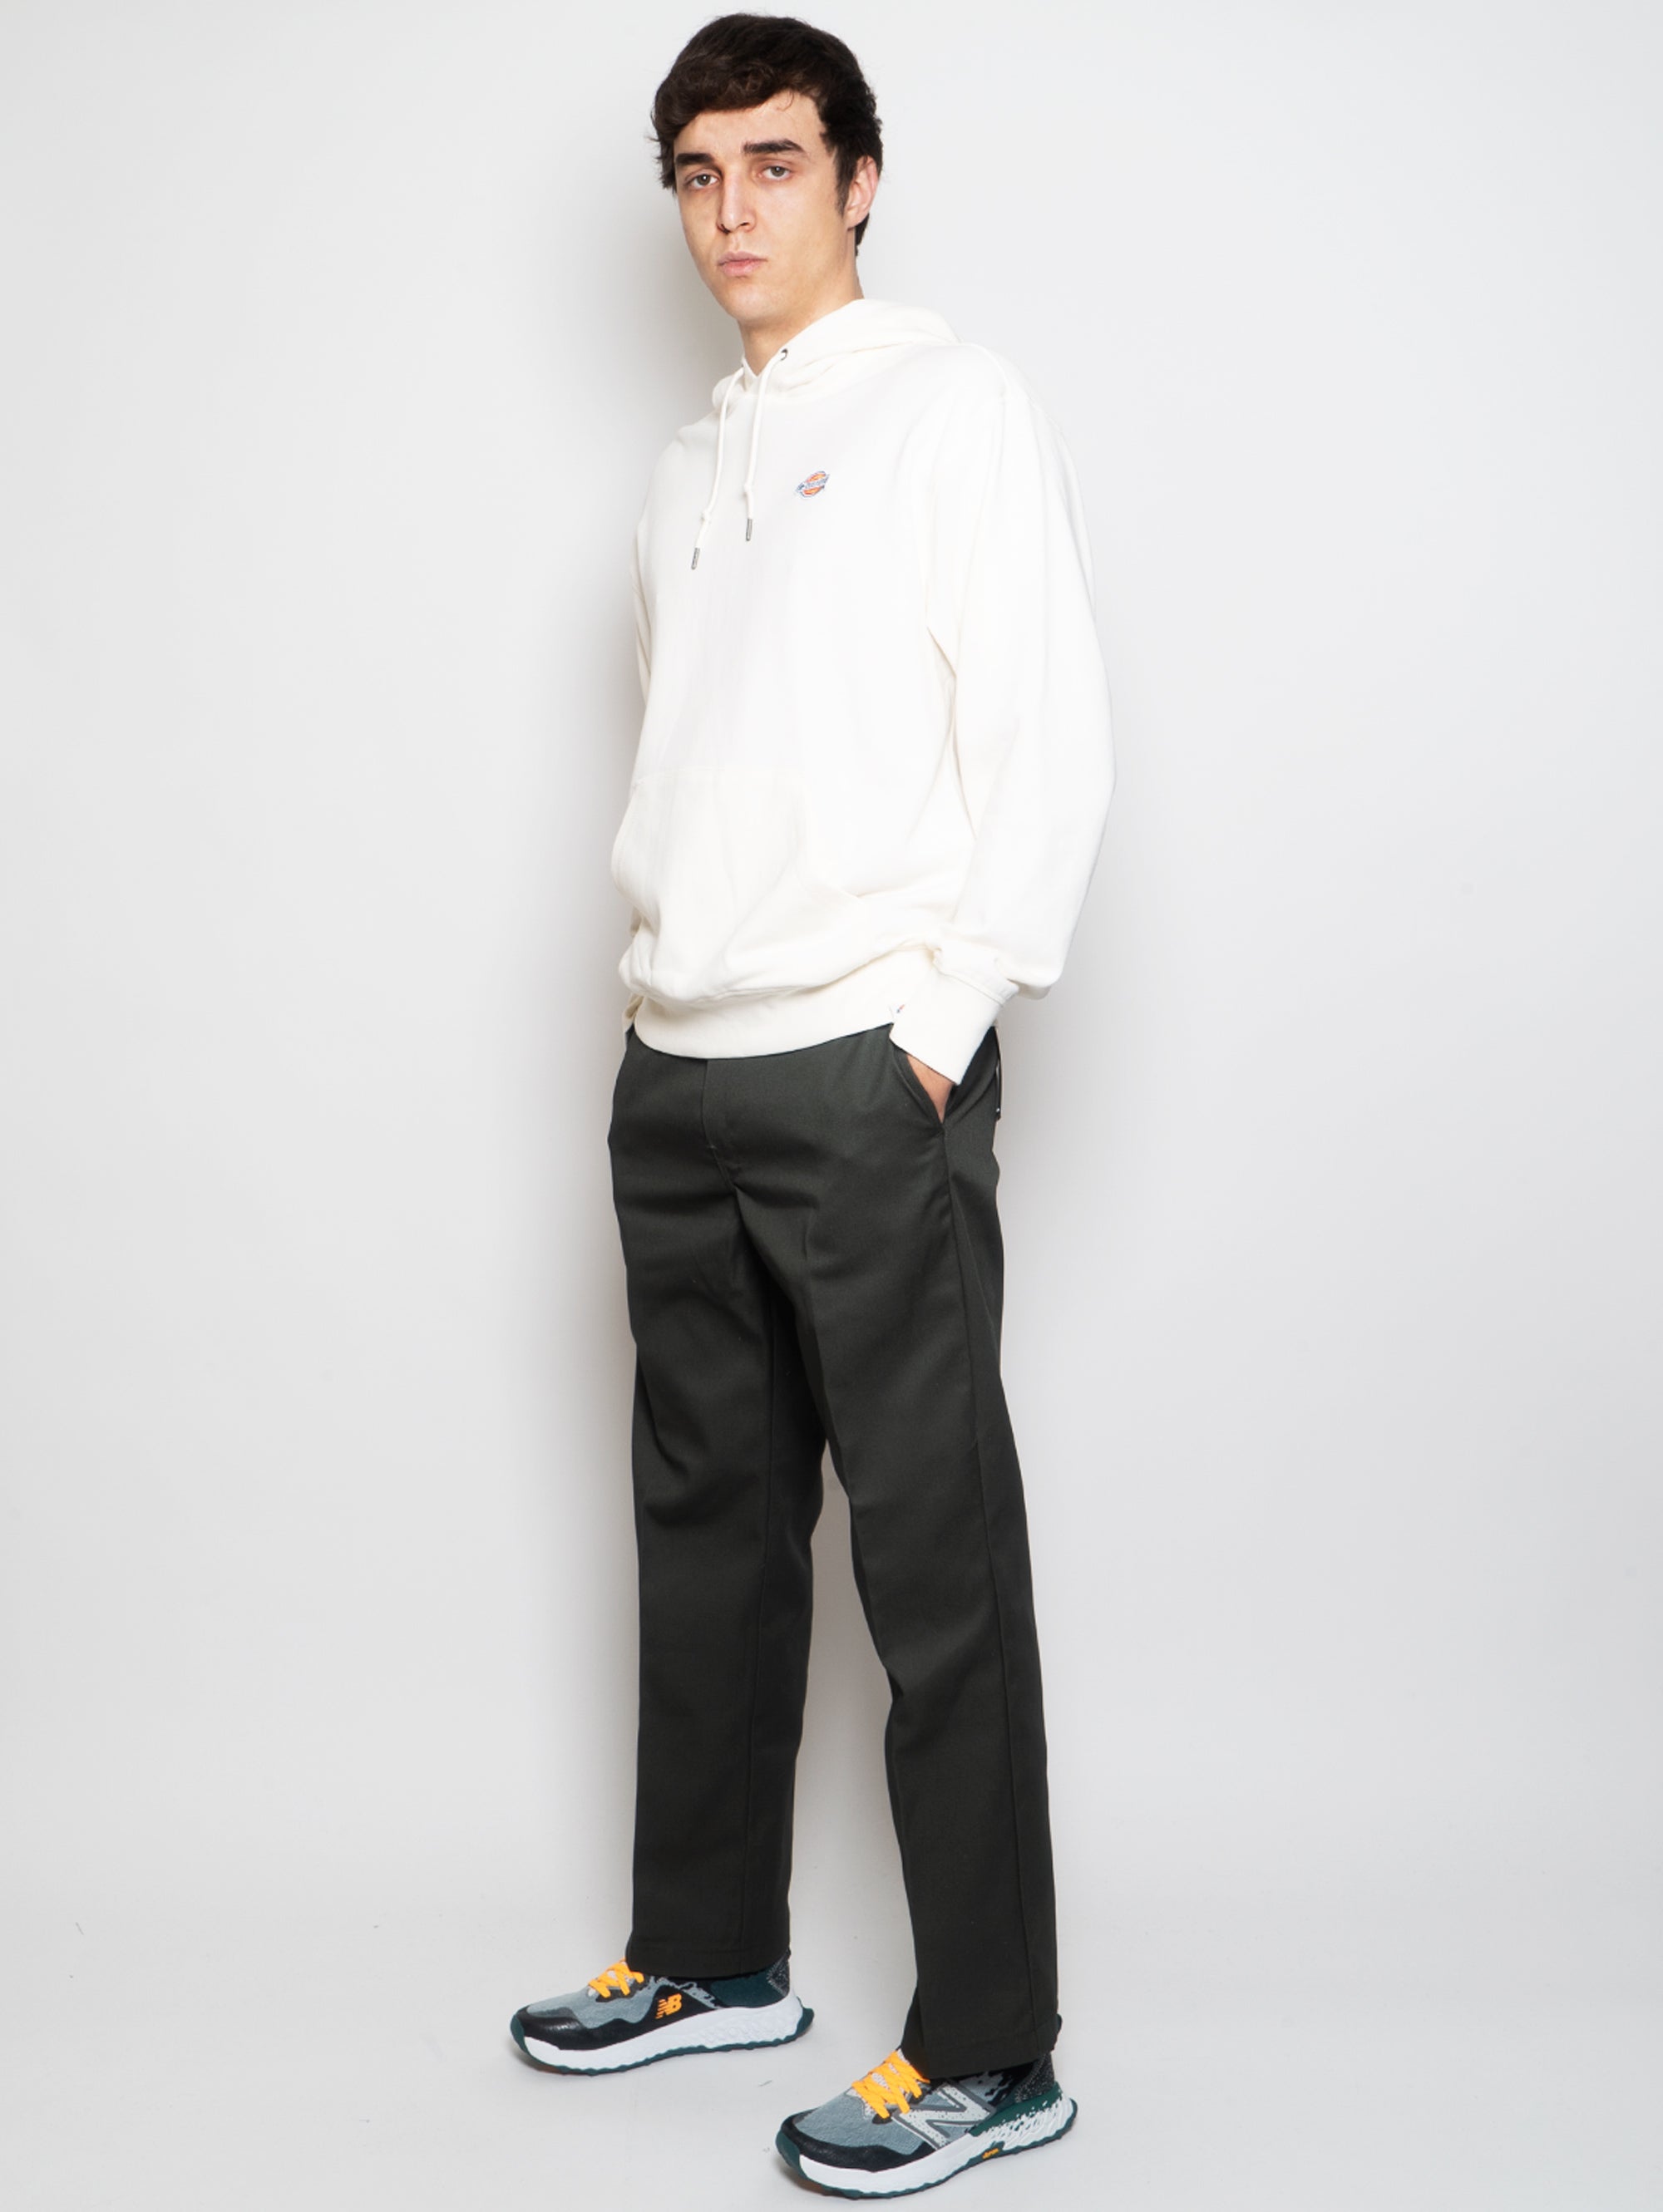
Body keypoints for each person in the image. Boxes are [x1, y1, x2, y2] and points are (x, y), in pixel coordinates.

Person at [509, 13, 1115, 2196]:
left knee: (935, 1570)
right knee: (707, 1546)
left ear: (859, 180)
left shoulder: (954, 407)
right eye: (698, 173)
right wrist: (652, 1012)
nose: (732, 210)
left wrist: (932, 1031)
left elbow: (1043, 741)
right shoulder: (688, 473)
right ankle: (711, 1955)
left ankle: (993, 2051)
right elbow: (699, 765)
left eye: (774, 162)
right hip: (677, 1074)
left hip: (868, 1071)